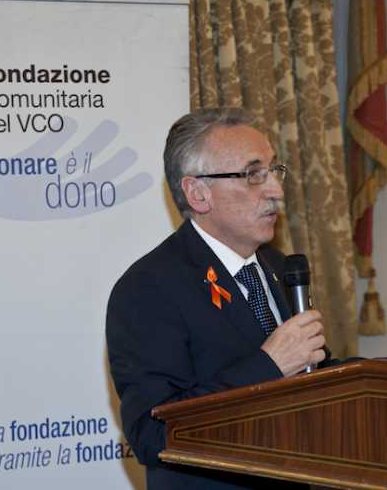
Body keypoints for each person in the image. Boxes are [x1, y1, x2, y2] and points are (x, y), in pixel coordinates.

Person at [106, 108, 327, 489]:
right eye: (253, 175)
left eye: (274, 170)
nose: (276, 190)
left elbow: (312, 376)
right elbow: (151, 434)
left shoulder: (278, 266)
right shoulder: (147, 288)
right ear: (198, 193)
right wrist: (268, 365)